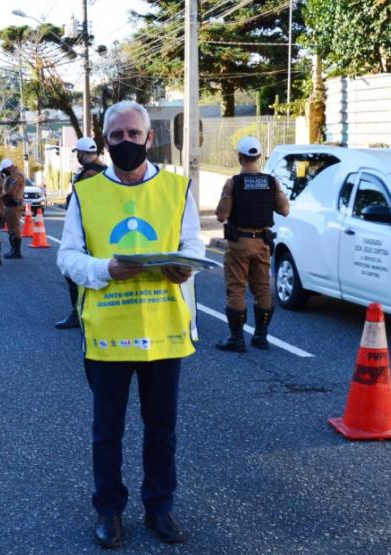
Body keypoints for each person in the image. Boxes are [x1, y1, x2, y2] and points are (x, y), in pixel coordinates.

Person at [58, 100, 204, 549]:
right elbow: (67, 257)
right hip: (107, 333)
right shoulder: (86, 194)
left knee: (162, 431)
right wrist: (105, 270)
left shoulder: (177, 188)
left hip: (164, 330)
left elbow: (193, 244)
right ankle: (109, 510)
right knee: (108, 432)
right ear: (105, 141)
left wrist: (185, 266)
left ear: (149, 138)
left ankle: (160, 507)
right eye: (117, 136)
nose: (126, 142)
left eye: (133, 134)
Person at [214, 137, 289, 352]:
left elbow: (221, 215)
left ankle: (237, 339)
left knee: (236, 289)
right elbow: (284, 210)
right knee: (262, 288)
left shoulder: (233, 183)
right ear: (259, 157)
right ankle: (261, 337)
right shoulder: (272, 182)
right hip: (263, 243)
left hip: (239, 243)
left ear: (240, 157)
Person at [56, 136, 108, 329]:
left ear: (83, 153)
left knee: (74, 272)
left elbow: (87, 201)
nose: (77, 156)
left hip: (89, 227)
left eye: (78, 153)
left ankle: (78, 313)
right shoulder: (104, 170)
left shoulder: (90, 174)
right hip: (100, 227)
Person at [0, 158, 26, 259]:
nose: (4, 172)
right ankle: (13, 249)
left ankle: (17, 251)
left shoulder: (16, 176)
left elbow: (11, 192)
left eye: (4, 170)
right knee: (11, 228)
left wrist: (1, 197)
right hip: (10, 204)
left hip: (14, 204)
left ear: (9, 168)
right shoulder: (12, 175)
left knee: (14, 228)